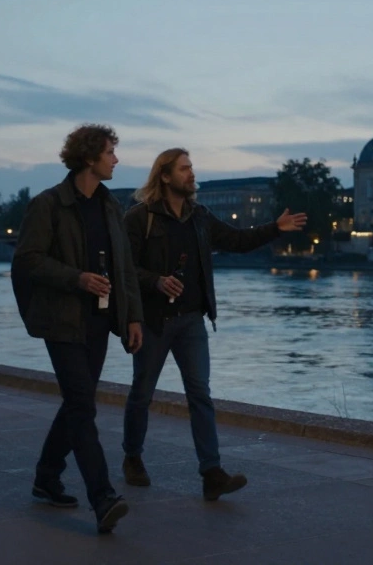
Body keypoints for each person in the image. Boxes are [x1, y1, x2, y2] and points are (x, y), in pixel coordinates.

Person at [121, 148, 307, 500]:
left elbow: (236, 240)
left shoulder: (200, 217)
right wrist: (156, 281)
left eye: (192, 168)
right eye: (184, 169)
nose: (192, 174)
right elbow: (125, 267)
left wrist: (275, 229)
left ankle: (211, 472)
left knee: (201, 396)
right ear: (164, 176)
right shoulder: (138, 218)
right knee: (141, 393)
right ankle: (132, 457)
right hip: (153, 320)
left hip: (192, 320)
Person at [11, 124, 144, 534]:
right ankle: (102, 498)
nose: (116, 160)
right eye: (110, 153)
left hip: (100, 321)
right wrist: (77, 279)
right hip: (62, 319)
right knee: (83, 404)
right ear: (90, 158)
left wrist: (132, 317)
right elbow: (28, 260)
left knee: (76, 403)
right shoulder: (48, 205)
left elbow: (123, 270)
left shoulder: (110, 208)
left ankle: (47, 475)